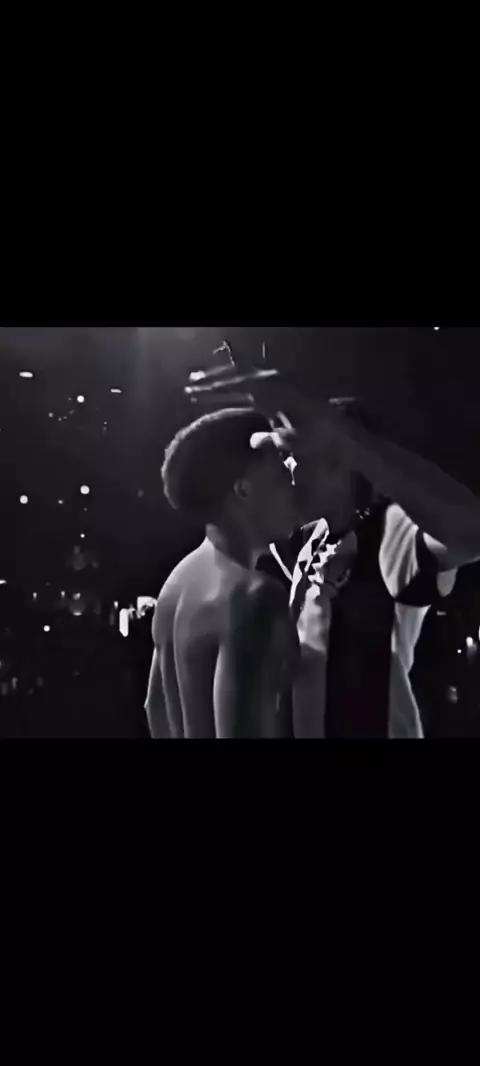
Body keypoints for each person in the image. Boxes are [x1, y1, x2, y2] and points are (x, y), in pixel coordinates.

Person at [189, 369, 480, 739]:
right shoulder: (311, 542)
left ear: (339, 463)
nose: (286, 470)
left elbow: (471, 534)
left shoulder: (389, 530)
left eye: (294, 457)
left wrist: (345, 437)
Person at [145, 408, 299, 738]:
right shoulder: (254, 596)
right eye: (281, 472)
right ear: (244, 489)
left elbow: (154, 709)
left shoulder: (175, 586)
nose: (292, 484)